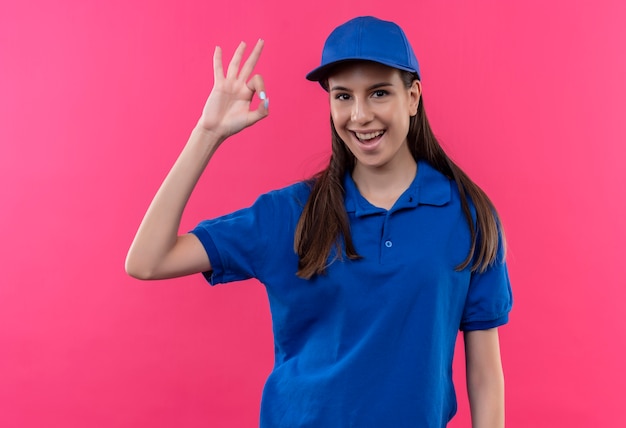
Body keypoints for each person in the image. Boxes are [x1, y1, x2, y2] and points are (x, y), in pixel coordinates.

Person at [126, 16, 512, 428]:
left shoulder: (467, 215)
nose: (360, 115)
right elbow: (148, 260)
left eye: (379, 93)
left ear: (413, 96)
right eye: (343, 96)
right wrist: (208, 133)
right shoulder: (291, 213)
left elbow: (485, 376)